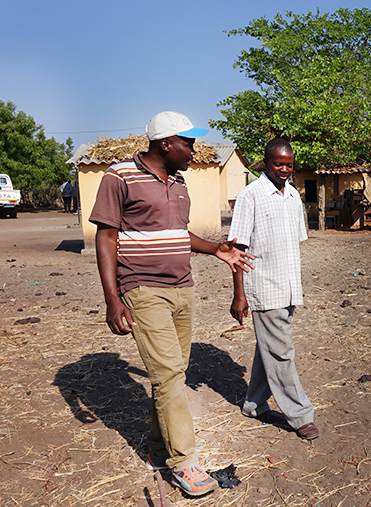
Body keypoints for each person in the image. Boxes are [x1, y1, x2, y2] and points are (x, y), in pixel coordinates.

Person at [89, 111, 254, 497]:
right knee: (167, 376)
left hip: (182, 288)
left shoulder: (178, 182)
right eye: (188, 143)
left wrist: (216, 249)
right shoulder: (119, 176)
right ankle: (185, 463)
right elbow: (106, 237)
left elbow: (178, 234)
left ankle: (158, 448)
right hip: (142, 290)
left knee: (173, 375)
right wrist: (112, 298)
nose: (193, 151)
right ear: (166, 144)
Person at [228, 138, 319, 441]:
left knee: (269, 348)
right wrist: (239, 295)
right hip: (264, 286)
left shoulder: (292, 196)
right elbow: (237, 250)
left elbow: (294, 243)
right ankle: (300, 415)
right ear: (265, 164)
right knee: (281, 352)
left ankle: (254, 404)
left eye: (288, 164)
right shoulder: (250, 196)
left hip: (289, 286)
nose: (284, 169)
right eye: (278, 164)